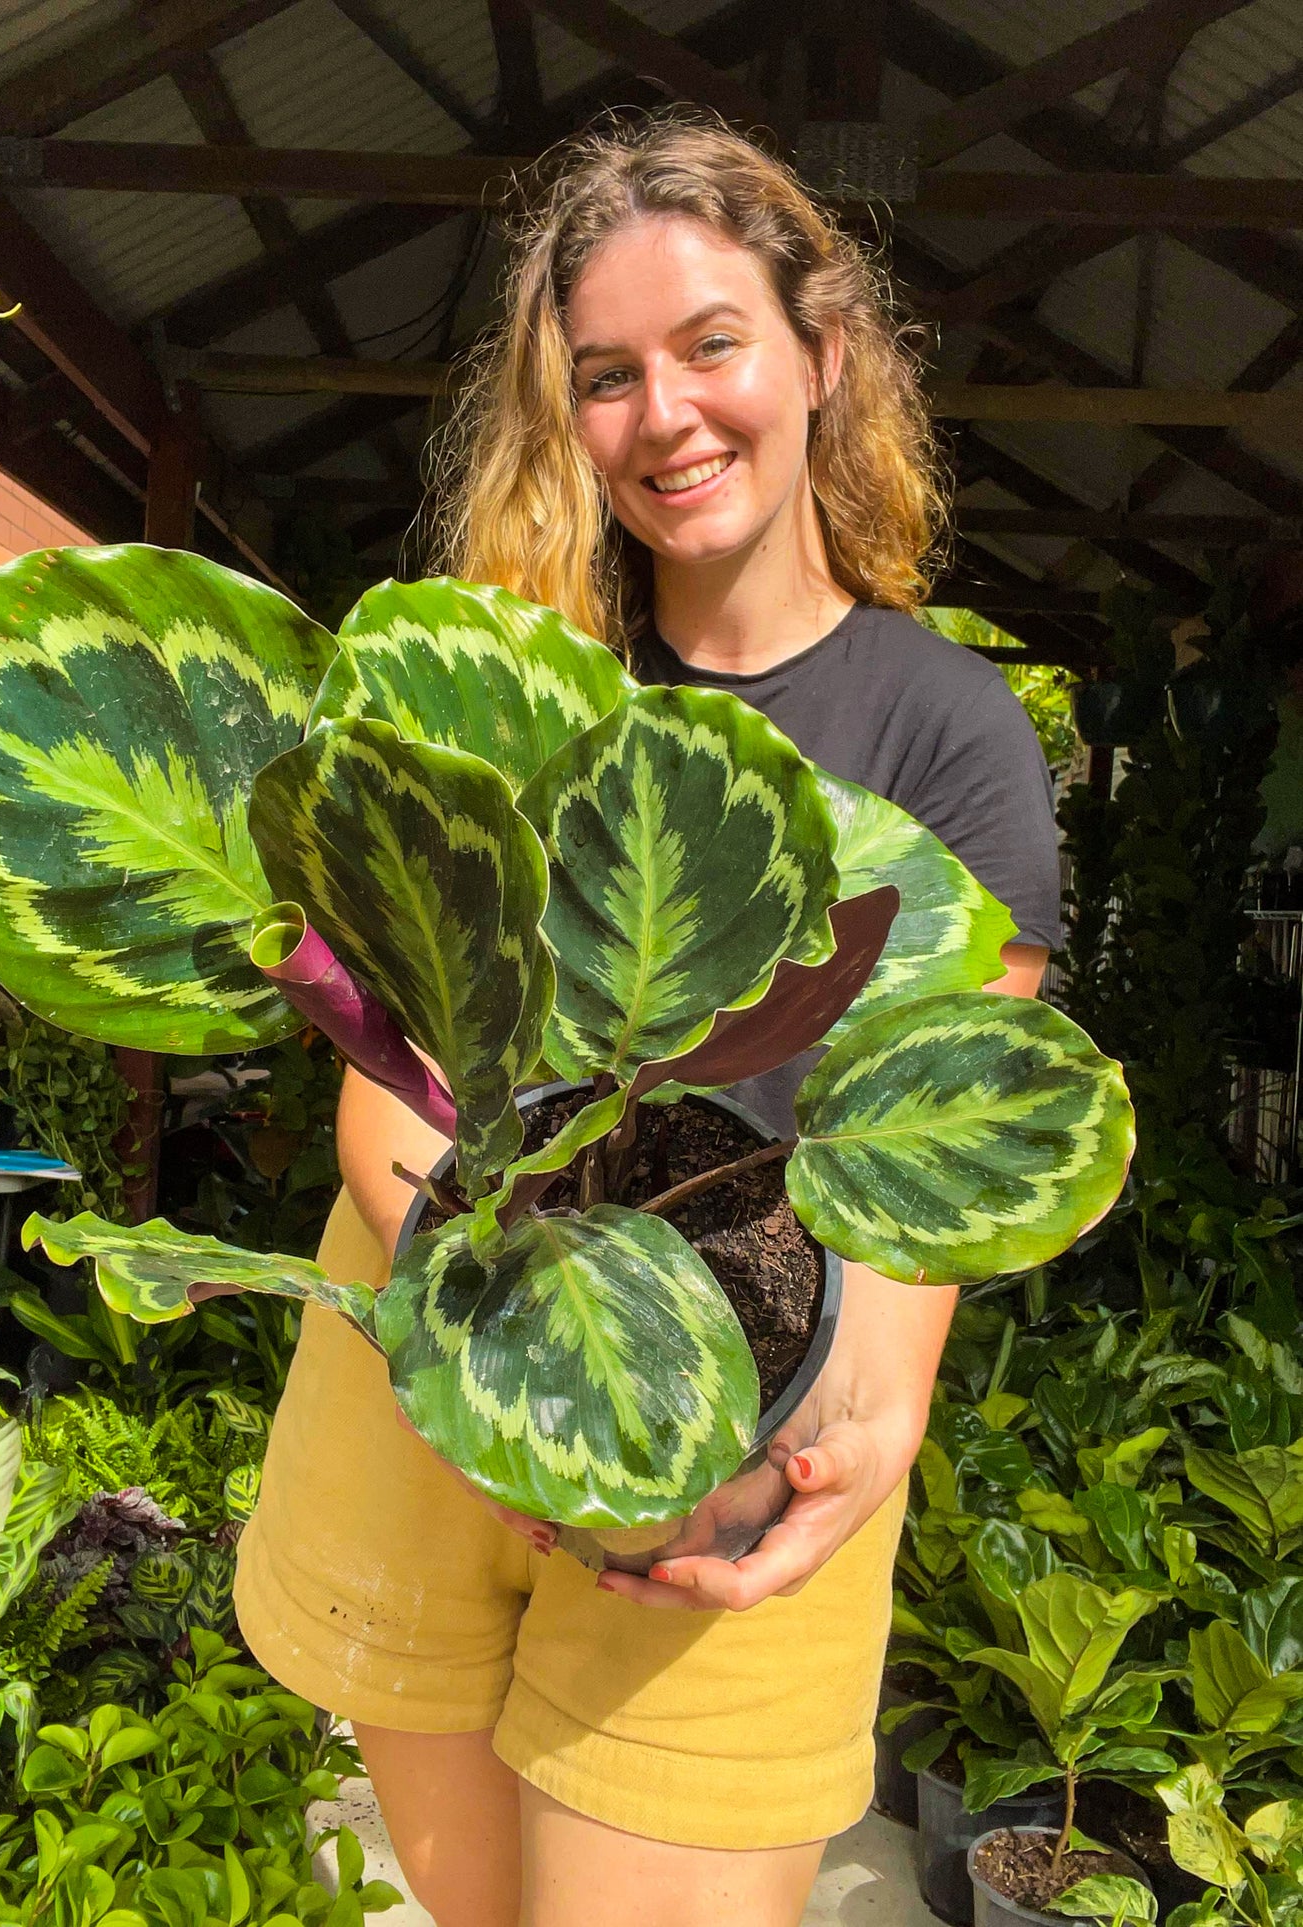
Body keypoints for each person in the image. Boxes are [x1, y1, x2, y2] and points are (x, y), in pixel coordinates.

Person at [236, 114, 1062, 1927]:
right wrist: (543, 1376)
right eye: (603, 377)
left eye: (710, 345)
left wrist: (847, 1436)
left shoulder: (948, 739)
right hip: (438, 1353)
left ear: (821, 358)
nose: (663, 416)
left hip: (742, 1441)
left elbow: (949, 1151)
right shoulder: (506, 676)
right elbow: (393, 1095)